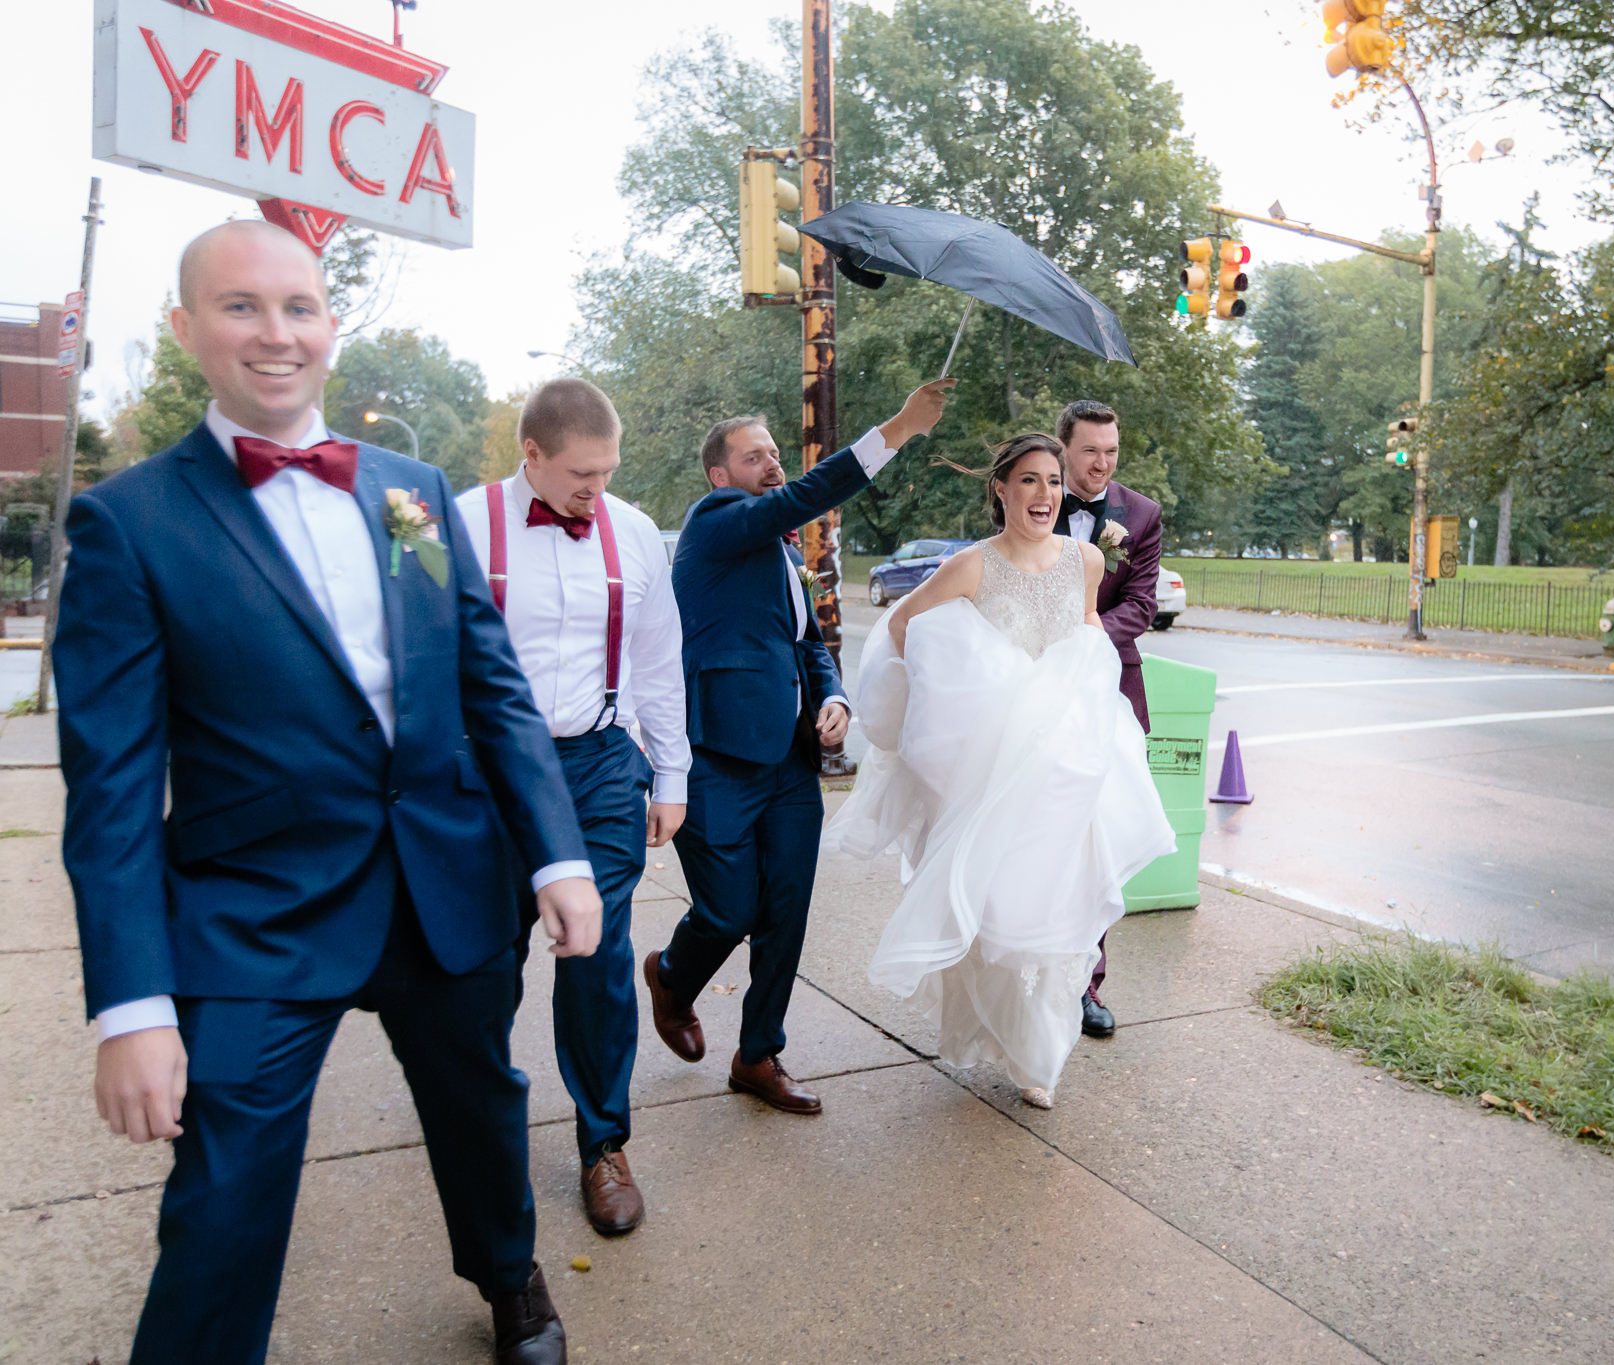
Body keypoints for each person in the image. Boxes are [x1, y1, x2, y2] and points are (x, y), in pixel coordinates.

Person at [52, 220, 599, 1365]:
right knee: (220, 1197)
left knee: (481, 1111)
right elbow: (108, 786)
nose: (274, 332)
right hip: (253, 912)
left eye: (298, 307)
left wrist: (555, 852)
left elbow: (489, 683)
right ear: (187, 327)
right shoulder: (128, 522)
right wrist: (132, 1005)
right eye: (241, 306)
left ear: (331, 327)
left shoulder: (408, 491)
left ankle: (509, 1279)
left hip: (444, 882)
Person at [823, 433, 1175, 1109]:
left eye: (1051, 481)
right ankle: (1004, 1029)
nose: (1043, 494)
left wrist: (1077, 695)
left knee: (1060, 907)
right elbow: (904, 629)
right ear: (1001, 489)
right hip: (993, 768)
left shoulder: (1087, 559)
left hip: (1066, 765)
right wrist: (971, 695)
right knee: (998, 912)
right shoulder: (970, 567)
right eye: (1029, 481)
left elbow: (1083, 634)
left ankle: (1039, 1054)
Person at [642, 380, 955, 1114]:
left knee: (785, 910)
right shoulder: (719, 523)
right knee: (726, 911)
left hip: (789, 762)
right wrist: (899, 428)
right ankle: (671, 975)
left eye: (776, 453)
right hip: (715, 755)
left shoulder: (783, 556)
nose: (773, 465)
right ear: (720, 476)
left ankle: (758, 1055)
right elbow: (799, 499)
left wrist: (835, 696)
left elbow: (807, 642)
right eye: (755, 457)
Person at [453, 379, 688, 1237]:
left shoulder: (630, 533)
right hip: (487, 767)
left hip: (596, 765)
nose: (598, 488)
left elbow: (661, 661)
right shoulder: (464, 521)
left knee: (598, 953)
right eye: (583, 474)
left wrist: (672, 776)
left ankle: (604, 1142)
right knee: (484, 955)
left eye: (608, 471)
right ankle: (475, 1123)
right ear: (532, 455)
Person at [1051, 399, 1163, 1040]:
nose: (1101, 463)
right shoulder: (1029, 494)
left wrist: (1083, 640)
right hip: (1033, 697)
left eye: (1111, 451)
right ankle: (1031, 966)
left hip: (1107, 696)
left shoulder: (1140, 515)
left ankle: (1087, 987)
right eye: (1090, 450)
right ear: (1065, 449)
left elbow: (1142, 604)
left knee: (1097, 847)